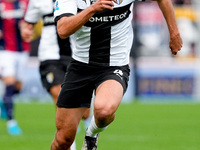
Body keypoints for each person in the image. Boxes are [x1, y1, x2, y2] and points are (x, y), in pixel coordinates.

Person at [51, 0, 183, 149]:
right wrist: (93, 9)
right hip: (80, 66)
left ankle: (92, 135)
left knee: (104, 111)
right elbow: (62, 29)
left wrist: (174, 33)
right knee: (63, 140)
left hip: (114, 64)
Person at [21, 0, 91, 149]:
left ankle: (87, 128)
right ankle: (70, 144)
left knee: (85, 112)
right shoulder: (38, 1)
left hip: (76, 55)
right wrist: (26, 31)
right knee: (59, 95)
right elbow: (28, 23)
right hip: (49, 57)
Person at [0, 0, 30, 135]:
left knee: (17, 87)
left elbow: (33, 24)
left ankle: (3, 102)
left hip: (23, 50)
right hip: (5, 50)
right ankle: (11, 122)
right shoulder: (1, 4)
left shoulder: (25, 3)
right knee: (10, 83)